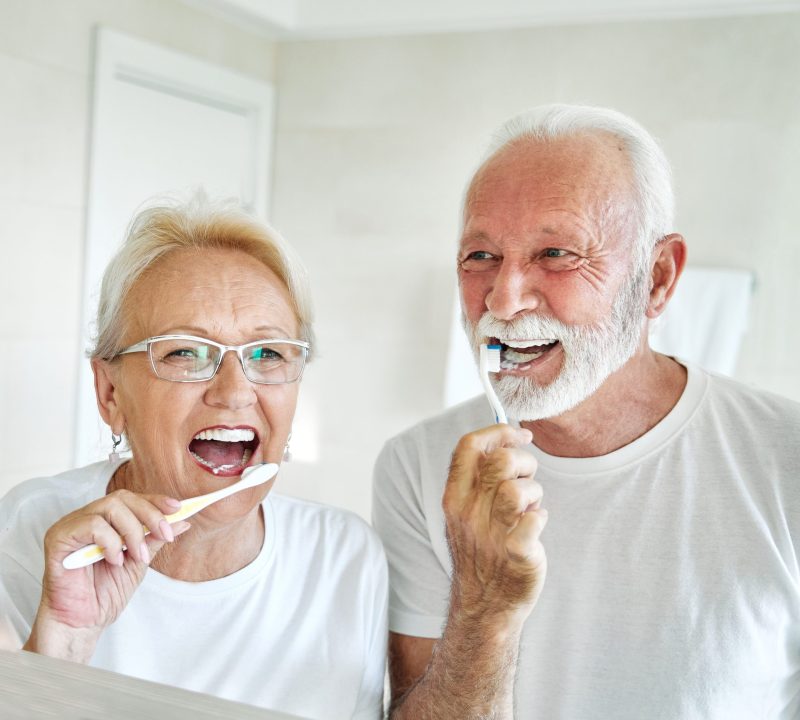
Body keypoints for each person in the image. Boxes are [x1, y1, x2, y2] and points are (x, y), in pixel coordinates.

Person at [373, 104, 800, 719]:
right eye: (480, 257)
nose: (503, 299)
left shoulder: (784, 459)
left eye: (556, 253)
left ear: (656, 278)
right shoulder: (416, 467)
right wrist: (485, 605)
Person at [0, 196, 387, 720]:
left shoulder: (344, 557)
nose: (235, 392)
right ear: (110, 393)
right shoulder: (30, 530)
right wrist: (60, 647)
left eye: (268, 353)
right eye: (185, 351)